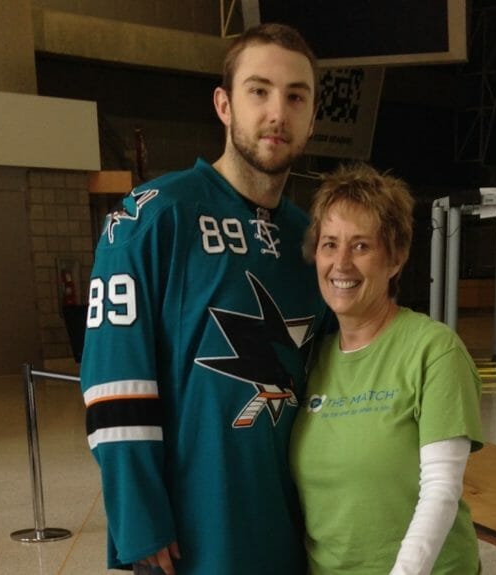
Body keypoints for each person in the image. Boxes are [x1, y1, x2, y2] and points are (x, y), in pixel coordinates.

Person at [79, 23, 327, 574]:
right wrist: (138, 518)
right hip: (188, 532)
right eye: (258, 91)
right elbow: (114, 382)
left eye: (295, 96)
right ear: (224, 104)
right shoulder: (153, 216)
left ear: (312, 116)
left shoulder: (311, 241)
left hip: (288, 524)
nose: (277, 113)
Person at [290, 163, 484, 575]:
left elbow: (441, 491)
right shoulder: (314, 358)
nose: (340, 263)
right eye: (329, 244)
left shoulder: (433, 350)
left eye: (361, 246)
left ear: (394, 259)